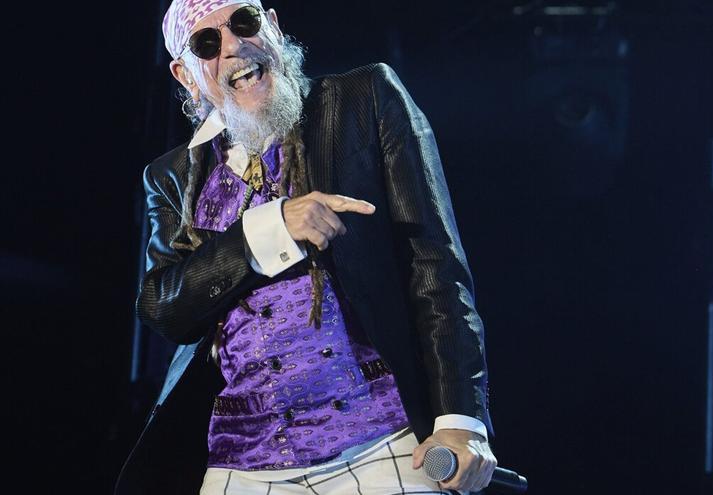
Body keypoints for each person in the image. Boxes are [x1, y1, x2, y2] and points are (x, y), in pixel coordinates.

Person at [114, 1, 496, 494]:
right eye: (206, 44)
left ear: (272, 26)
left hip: (380, 441)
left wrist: (461, 418)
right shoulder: (172, 177)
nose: (232, 46)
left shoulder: (362, 100)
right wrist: (270, 229)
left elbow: (434, 264)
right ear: (186, 76)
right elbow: (164, 309)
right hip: (242, 463)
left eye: (244, 23)